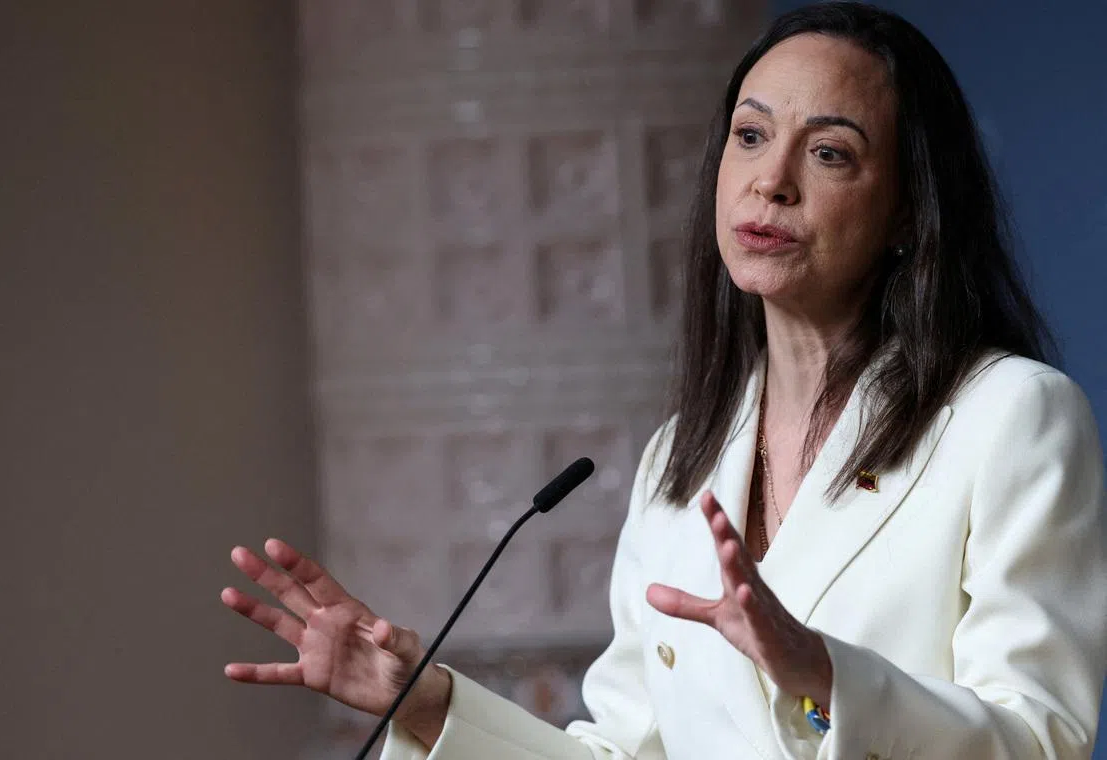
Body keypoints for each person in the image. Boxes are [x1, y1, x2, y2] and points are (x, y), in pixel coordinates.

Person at [218, 3, 1107, 758]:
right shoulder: (679, 458)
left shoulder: (1010, 418)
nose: (772, 181)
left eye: (829, 153)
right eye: (750, 136)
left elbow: (1040, 738)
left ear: (910, 207)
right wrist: (428, 705)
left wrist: (823, 678)